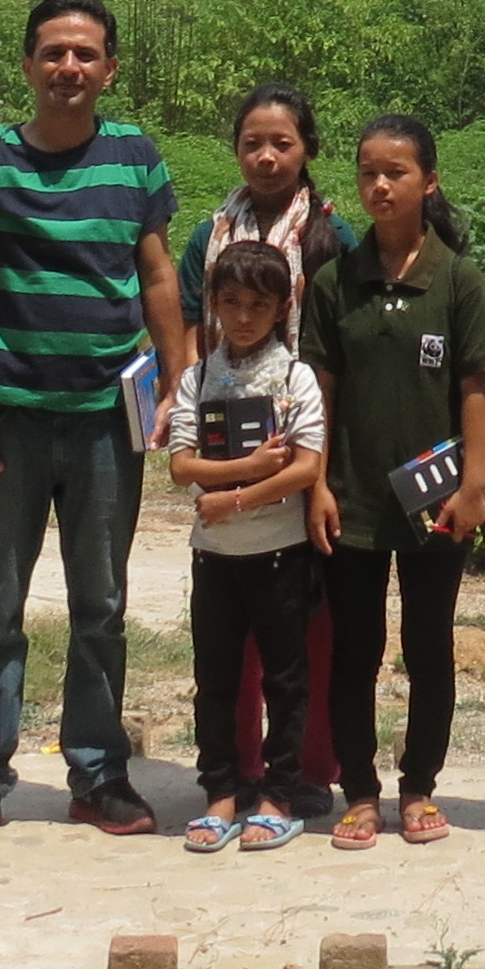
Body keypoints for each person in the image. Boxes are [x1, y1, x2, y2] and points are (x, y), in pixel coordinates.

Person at [0, 0, 191, 844]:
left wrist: (176, 391)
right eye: (53, 53)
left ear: (109, 69)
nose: (69, 68)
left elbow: (158, 281)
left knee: (101, 605)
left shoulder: (135, 160)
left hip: (104, 426)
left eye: (85, 54)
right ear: (28, 66)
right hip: (5, 421)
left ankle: (98, 772)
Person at [305, 114, 485, 850]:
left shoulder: (457, 280)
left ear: (429, 181)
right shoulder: (334, 281)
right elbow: (317, 391)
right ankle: (359, 791)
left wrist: (473, 487)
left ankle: (419, 788)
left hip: (436, 506)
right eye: (368, 173)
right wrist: (315, 483)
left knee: (428, 648)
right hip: (349, 501)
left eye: (397, 173)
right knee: (355, 649)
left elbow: (477, 391)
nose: (380, 186)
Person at [176, 84, 351, 820]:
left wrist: (320, 473)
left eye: (283, 142)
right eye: (253, 142)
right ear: (236, 149)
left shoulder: (332, 238)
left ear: (308, 147)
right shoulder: (207, 234)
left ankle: (302, 772)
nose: (268, 156)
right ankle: (235, 772)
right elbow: (191, 331)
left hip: (305, 425)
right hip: (222, 434)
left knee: (301, 628)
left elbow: (339, 349)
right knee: (225, 639)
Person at [164, 239, 329, 853]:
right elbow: (181, 466)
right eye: (229, 302)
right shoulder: (198, 376)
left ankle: (280, 795)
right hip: (214, 557)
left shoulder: (296, 377)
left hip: (280, 551)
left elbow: (306, 468)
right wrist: (249, 466)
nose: (242, 317)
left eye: (258, 304)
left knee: (286, 677)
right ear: (212, 305)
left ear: (283, 305)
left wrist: (231, 496)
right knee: (217, 678)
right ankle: (220, 792)